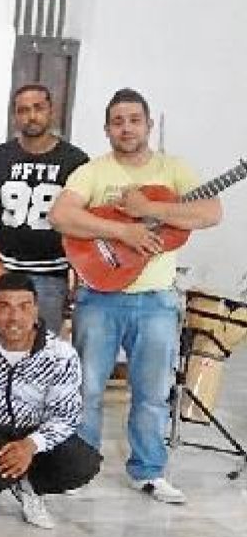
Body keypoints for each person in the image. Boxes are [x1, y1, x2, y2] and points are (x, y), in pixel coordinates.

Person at [49, 88, 223, 504]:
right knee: (86, 389)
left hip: (157, 301)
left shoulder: (174, 169)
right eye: (117, 121)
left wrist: (151, 208)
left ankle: (148, 471)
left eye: (134, 119)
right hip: (98, 297)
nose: (126, 128)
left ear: (148, 124)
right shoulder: (93, 172)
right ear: (107, 128)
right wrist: (122, 230)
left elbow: (210, 213)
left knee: (151, 392)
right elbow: (62, 215)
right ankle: (81, 467)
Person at [0, 273, 102, 530]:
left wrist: (31, 445)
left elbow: (67, 416)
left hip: (34, 430)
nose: (14, 317)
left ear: (36, 310)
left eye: (24, 307)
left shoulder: (60, 354)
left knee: (82, 463)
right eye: (4, 307)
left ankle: (29, 486)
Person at [0, 84, 89, 332]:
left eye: (38, 108)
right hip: (4, 270)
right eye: (23, 110)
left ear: (52, 111)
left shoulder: (75, 160)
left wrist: (76, 274)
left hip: (52, 275)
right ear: (15, 115)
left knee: (42, 352)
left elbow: (82, 224)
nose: (31, 116)